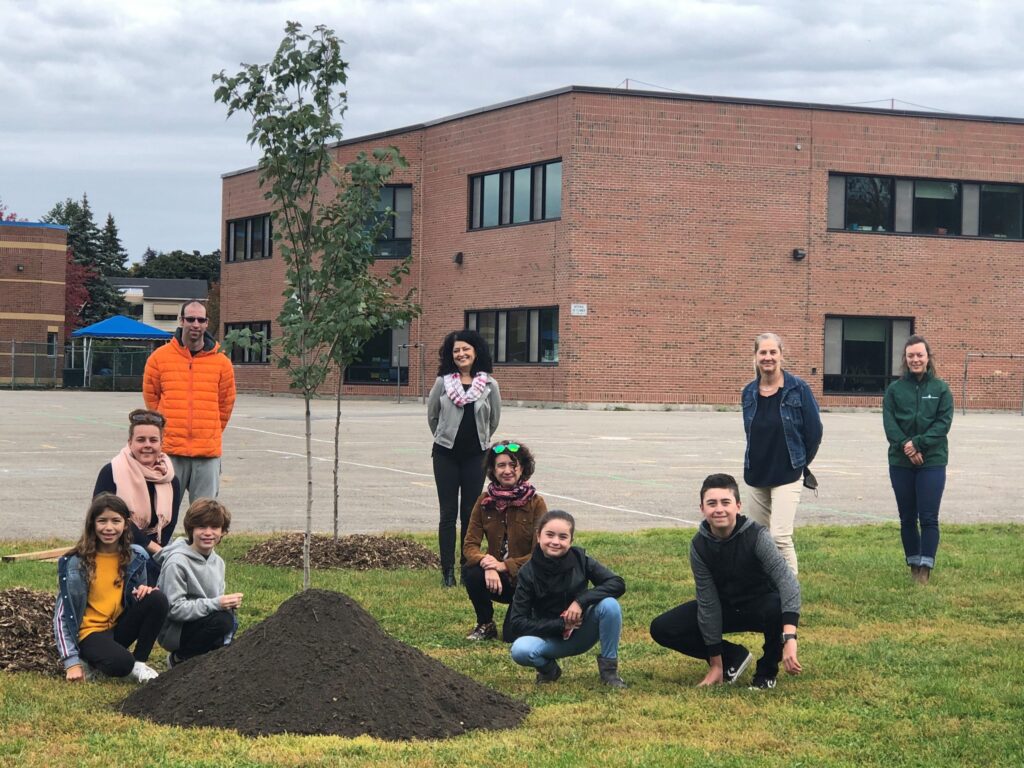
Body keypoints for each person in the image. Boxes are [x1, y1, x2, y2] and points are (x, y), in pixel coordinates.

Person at [650, 473, 802, 690]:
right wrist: (716, 663)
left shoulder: (757, 536)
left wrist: (789, 638)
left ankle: (766, 673)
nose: (719, 509)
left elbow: (788, 583)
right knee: (662, 627)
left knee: (777, 605)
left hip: (762, 607)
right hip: (726, 609)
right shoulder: (699, 545)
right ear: (702, 509)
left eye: (725, 502)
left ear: (738, 506)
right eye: (711, 503)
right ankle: (732, 658)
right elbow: (708, 604)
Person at [53, 493, 168, 683]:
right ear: (92, 524)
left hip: (117, 628)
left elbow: (133, 595)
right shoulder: (76, 563)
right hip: (89, 634)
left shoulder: (135, 556)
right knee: (122, 665)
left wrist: (143, 592)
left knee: (157, 599)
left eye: (116, 521)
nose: (109, 527)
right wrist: (71, 663)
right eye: (102, 521)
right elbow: (62, 617)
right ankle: (87, 661)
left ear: (126, 524)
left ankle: (139, 663)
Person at [508, 510, 627, 688]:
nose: (555, 541)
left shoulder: (581, 560)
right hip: (550, 639)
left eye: (563, 537)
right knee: (520, 650)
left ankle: (609, 672)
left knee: (609, 605)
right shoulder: (527, 572)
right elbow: (517, 622)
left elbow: (617, 583)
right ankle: (549, 670)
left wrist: (581, 601)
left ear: (570, 541)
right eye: (549, 535)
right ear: (538, 536)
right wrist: (560, 625)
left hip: (582, 633)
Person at [741, 332, 823, 574]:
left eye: (772, 352)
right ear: (756, 357)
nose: (768, 357)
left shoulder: (799, 389)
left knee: (779, 537)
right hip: (757, 474)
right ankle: (765, 592)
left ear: (781, 355)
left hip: (788, 473)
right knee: (758, 539)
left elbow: (815, 431)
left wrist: (799, 461)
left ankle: (789, 597)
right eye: (763, 353)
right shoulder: (748, 393)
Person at [427, 330, 501, 587]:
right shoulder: (442, 383)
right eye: (456, 350)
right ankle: (447, 571)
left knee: (470, 513)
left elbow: (493, 421)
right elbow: (433, 417)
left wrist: (480, 441)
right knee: (447, 514)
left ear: (475, 352)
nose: (461, 354)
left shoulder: (489, 385)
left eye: (465, 349)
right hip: (445, 455)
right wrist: (444, 438)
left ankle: (466, 564)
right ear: (451, 355)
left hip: (476, 458)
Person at [143, 299, 236, 505]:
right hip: (171, 450)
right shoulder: (159, 358)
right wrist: (166, 430)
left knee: (204, 516)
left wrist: (209, 431)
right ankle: (161, 540)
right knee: (163, 512)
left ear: (206, 323)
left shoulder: (222, 361)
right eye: (190, 319)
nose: (195, 324)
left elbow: (226, 403)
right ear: (181, 320)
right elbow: (152, 398)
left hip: (207, 452)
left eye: (200, 320)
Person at [882, 334, 953, 585]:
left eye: (920, 355)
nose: (915, 359)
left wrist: (919, 443)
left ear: (928, 357)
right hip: (901, 462)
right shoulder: (894, 390)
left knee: (929, 517)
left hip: (932, 461)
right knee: (907, 517)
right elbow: (890, 424)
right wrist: (907, 447)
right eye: (911, 355)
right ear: (905, 359)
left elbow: (942, 424)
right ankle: (913, 564)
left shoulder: (941, 389)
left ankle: (926, 568)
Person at [462, 440, 548, 642]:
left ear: (523, 468)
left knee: (512, 637)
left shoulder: (536, 503)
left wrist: (503, 565)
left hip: (527, 582)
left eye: (513, 465)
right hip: (497, 579)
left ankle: (530, 612)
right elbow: (470, 545)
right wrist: (487, 563)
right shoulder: (484, 501)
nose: (507, 470)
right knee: (471, 571)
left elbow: (540, 554)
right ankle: (485, 624)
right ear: (493, 469)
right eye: (501, 465)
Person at [156, 498, 240, 667]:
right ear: (191, 529)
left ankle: (209, 659)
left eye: (215, 527)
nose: (208, 533)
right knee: (222, 621)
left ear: (223, 531)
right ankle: (180, 659)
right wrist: (216, 604)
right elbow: (174, 609)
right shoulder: (177, 562)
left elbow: (215, 604)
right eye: (202, 527)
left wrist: (226, 605)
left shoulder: (219, 563)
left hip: (201, 621)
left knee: (230, 619)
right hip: (175, 631)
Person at [92, 408, 182, 560]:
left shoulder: (170, 479)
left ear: (162, 443)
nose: (147, 445)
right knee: (137, 553)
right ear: (130, 443)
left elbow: (168, 526)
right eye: (141, 440)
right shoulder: (111, 472)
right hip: (116, 546)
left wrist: (160, 555)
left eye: (153, 440)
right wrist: (154, 550)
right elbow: (104, 518)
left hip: (157, 550)